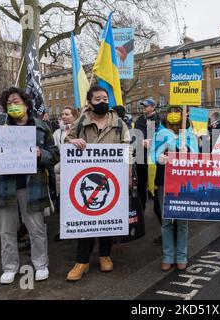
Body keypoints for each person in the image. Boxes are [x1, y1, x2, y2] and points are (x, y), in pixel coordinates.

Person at [0, 87, 59, 284]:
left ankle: (41, 264)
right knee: (6, 231)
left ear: (26, 104)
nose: (13, 106)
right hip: (4, 187)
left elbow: (55, 154)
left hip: (32, 186)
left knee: (36, 229)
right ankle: (9, 267)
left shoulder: (42, 127)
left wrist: (42, 154)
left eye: (16, 102)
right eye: (9, 103)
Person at [65, 86, 131, 281]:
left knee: (108, 217)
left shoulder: (119, 123)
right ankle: (82, 261)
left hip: (112, 179)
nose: (102, 102)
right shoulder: (80, 122)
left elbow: (127, 151)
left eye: (105, 98)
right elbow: (67, 142)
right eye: (97, 99)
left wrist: (127, 177)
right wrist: (73, 142)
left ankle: (105, 255)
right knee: (85, 219)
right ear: (89, 102)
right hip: (86, 179)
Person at [150, 105, 199, 272]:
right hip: (165, 180)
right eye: (170, 112)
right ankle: (168, 256)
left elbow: (197, 156)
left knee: (182, 221)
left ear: (183, 114)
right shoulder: (160, 133)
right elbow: (152, 154)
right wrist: (159, 157)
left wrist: (189, 153)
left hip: (184, 182)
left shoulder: (190, 134)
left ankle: (182, 256)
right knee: (166, 221)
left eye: (177, 112)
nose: (173, 115)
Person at [52, 106, 79, 240]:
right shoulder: (57, 133)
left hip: (76, 170)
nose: (63, 116)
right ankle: (64, 228)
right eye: (62, 114)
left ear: (74, 116)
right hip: (61, 171)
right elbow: (54, 150)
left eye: (67, 114)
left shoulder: (80, 129)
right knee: (62, 201)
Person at [134, 98, 161, 215]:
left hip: (154, 158)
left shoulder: (160, 120)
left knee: (154, 186)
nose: (143, 107)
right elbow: (134, 135)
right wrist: (139, 141)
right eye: (143, 106)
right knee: (140, 185)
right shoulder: (139, 120)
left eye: (146, 105)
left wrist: (151, 141)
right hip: (140, 158)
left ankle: (158, 209)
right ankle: (141, 210)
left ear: (153, 107)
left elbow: (163, 136)